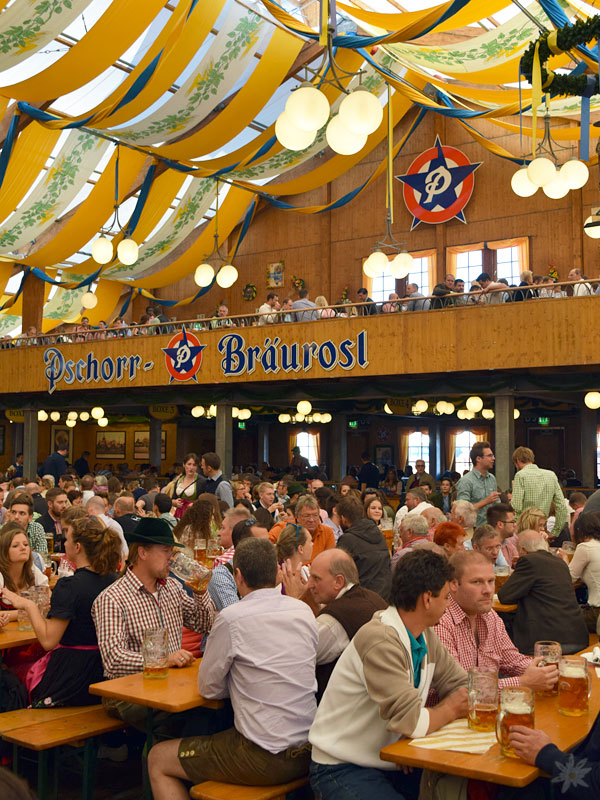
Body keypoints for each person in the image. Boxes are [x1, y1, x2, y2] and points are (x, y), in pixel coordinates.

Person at [148, 538, 317, 797]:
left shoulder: (232, 617)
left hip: (264, 757)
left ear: (237, 576)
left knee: (158, 757)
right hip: (309, 750)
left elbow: (209, 688)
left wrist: (242, 681)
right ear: (276, 573)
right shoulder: (303, 611)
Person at [309, 549, 468, 800]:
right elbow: (413, 721)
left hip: (391, 759)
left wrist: (414, 731)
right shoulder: (380, 639)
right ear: (427, 598)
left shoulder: (423, 634)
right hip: (341, 766)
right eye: (447, 597)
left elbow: (461, 686)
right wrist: (448, 711)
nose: (449, 605)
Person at [92, 518, 215, 732]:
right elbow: (113, 660)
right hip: (124, 692)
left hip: (170, 684)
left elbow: (206, 625)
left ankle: (166, 759)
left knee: (214, 707)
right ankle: (158, 759)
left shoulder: (172, 588)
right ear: (142, 553)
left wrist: (201, 591)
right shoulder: (112, 598)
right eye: (167, 551)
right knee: (189, 716)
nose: (173, 558)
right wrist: (163, 660)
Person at [3, 517, 120, 707]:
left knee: (7, 676)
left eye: (67, 539)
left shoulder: (70, 587)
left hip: (67, 680)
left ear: (78, 547)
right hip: (101, 672)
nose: (64, 543)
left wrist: (28, 605)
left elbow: (49, 641)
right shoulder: (112, 579)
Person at [435, 551, 558, 694]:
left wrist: (547, 671)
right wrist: (524, 682)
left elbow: (512, 660)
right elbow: (459, 690)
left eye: (491, 581)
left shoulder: (490, 616)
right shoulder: (440, 622)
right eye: (477, 582)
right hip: (451, 714)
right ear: (454, 585)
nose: (488, 590)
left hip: (485, 710)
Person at [497, 529, 588, 654]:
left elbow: (505, 596)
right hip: (577, 637)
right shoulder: (560, 563)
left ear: (523, 550)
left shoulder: (528, 561)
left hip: (546, 642)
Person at [207, 514, 268, 611]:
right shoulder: (222, 576)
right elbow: (238, 617)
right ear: (243, 545)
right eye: (262, 544)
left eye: (269, 543)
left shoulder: (268, 570)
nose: (269, 549)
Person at [336, 495, 391, 599]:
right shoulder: (379, 534)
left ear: (343, 519)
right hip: (385, 598)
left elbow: (338, 573)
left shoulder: (347, 540)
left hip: (362, 600)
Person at [511, 446, 567, 539]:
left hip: (524, 528)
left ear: (517, 461)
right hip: (542, 526)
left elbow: (516, 506)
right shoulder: (551, 475)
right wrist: (555, 532)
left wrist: (516, 528)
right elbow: (561, 506)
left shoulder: (520, 475)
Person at [559, 511, 600, 632]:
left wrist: (564, 558)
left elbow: (569, 579)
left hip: (596, 613)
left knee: (555, 618)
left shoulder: (585, 547)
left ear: (579, 530)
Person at [0, 522, 49, 621]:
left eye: (26, 544)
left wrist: (29, 611)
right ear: (4, 552)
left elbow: (49, 601)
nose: (23, 548)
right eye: (15, 546)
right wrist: (33, 611)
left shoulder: (32, 569)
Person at [455, 441, 500, 527]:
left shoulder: (492, 478)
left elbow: (496, 504)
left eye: (493, 455)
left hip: (491, 527)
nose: (493, 458)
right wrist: (486, 501)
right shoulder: (466, 481)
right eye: (489, 456)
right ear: (478, 459)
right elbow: (462, 510)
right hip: (473, 529)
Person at [86, 496, 127, 561]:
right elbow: (124, 551)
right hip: (113, 565)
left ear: (90, 509)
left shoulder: (88, 525)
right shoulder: (115, 524)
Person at [165, 453, 204, 519]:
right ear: (184, 464)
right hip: (179, 513)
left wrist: (195, 504)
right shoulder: (179, 479)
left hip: (194, 514)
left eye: (194, 465)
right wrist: (174, 502)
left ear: (197, 467)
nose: (191, 468)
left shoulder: (201, 481)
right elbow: (173, 497)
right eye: (189, 464)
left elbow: (204, 500)